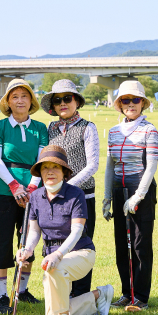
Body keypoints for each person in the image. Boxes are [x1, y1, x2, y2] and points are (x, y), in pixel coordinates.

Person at [16, 146, 114, 315]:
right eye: (45, 167)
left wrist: (58, 255)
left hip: (81, 253)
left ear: (64, 172)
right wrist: (28, 250)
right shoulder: (36, 196)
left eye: (55, 167)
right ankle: (99, 295)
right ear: (40, 172)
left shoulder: (76, 194)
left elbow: (77, 231)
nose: (50, 171)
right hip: (52, 258)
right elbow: (34, 231)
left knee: (55, 268)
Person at [0, 79, 47, 314]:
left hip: (33, 193)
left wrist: (31, 188)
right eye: (15, 96)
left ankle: (21, 290)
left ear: (31, 101)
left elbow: (41, 161)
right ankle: (3, 296)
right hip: (3, 191)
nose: (20, 100)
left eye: (24, 96)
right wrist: (14, 185)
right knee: (2, 242)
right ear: (8, 102)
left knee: (28, 240)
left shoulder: (40, 128)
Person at [101, 81, 158, 310]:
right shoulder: (114, 131)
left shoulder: (150, 130)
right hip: (119, 191)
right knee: (121, 245)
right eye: (126, 100)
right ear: (120, 105)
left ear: (143, 103)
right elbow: (109, 166)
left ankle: (141, 297)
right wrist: (107, 197)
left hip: (141, 192)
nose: (131, 104)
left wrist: (138, 197)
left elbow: (152, 166)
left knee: (139, 245)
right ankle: (127, 292)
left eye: (136, 100)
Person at [41, 79, 100, 299]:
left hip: (83, 197)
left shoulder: (88, 127)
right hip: (56, 199)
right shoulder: (51, 128)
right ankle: (61, 294)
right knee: (58, 244)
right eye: (58, 100)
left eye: (68, 98)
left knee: (81, 247)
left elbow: (92, 165)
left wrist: (66, 187)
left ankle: (82, 296)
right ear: (53, 106)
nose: (63, 103)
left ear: (76, 101)